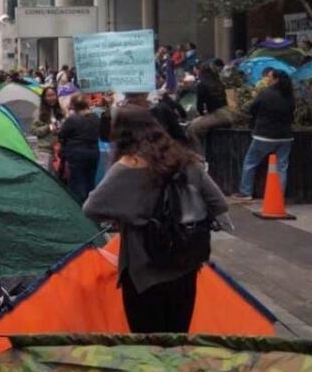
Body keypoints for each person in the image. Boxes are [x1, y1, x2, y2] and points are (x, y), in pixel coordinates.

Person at [83, 107, 228, 333]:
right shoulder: (186, 160)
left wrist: (129, 216)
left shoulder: (127, 166)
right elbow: (218, 203)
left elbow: (92, 207)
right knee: (177, 341)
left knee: (147, 346)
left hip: (144, 270)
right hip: (185, 265)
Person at [234, 69, 296, 203]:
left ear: (275, 79)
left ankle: (246, 192)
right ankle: (278, 195)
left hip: (264, 134)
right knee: (281, 166)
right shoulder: (289, 95)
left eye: (269, 77)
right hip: (285, 136)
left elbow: (252, 109)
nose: (267, 79)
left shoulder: (265, 93)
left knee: (250, 162)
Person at [58, 94, 101, 202]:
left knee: (77, 182)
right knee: (90, 180)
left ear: (73, 105)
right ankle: (90, 204)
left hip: (76, 153)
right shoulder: (96, 117)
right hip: (93, 152)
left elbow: (62, 134)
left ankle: (78, 205)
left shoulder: (72, 119)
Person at [185, 65, 234, 157]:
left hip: (218, 115)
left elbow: (200, 106)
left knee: (191, 130)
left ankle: (199, 158)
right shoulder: (218, 82)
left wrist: (201, 116)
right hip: (227, 112)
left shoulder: (201, 85)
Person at [30, 87, 64, 170]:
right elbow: (34, 131)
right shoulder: (38, 112)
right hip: (45, 151)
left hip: (61, 150)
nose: (51, 98)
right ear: (44, 98)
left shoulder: (61, 110)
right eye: (48, 96)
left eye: (53, 95)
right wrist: (48, 127)